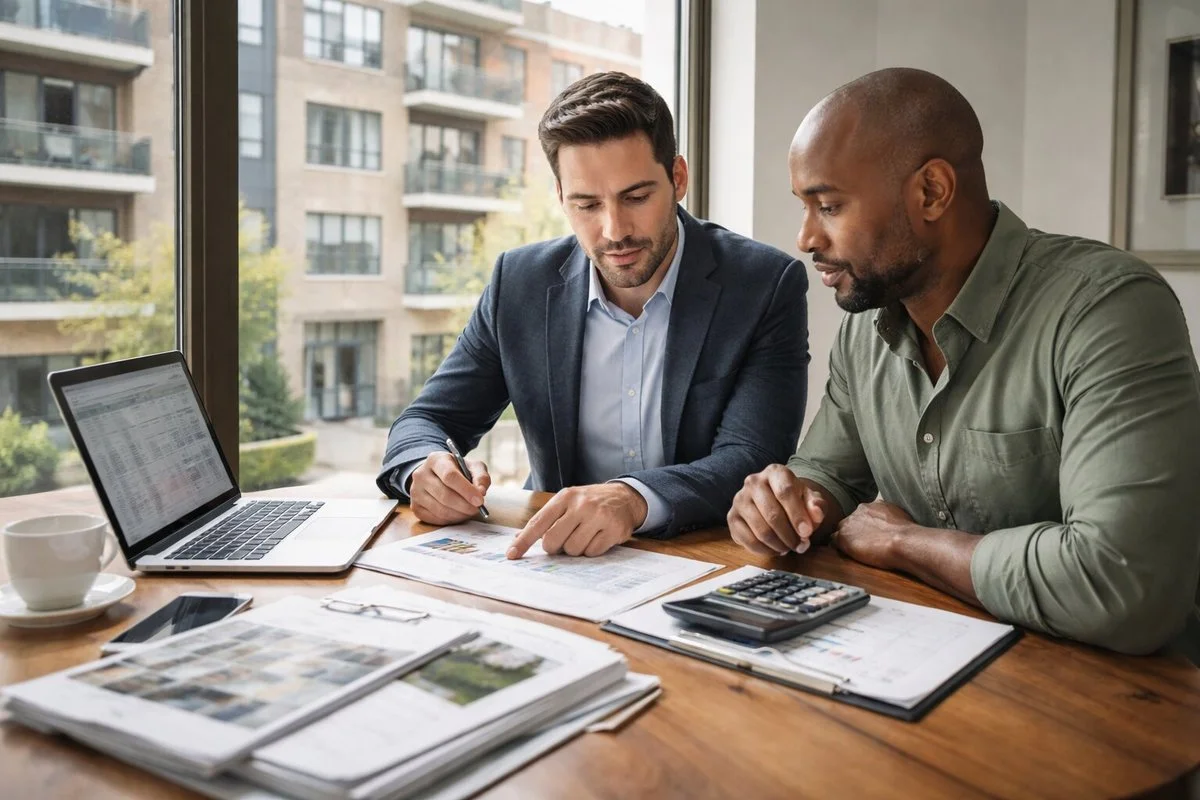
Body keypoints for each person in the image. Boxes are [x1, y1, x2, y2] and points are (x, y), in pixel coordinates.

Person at [728, 67, 1200, 660]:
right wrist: (789, 505)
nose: (804, 238)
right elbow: (832, 477)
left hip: (1122, 706)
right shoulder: (863, 332)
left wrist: (907, 544)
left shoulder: (1108, 311)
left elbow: (1123, 583)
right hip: (937, 669)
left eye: (828, 206)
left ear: (931, 192)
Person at [379, 72, 809, 559]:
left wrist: (632, 499)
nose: (614, 230)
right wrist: (424, 470)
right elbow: (427, 419)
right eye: (587, 204)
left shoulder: (764, 285)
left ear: (678, 179)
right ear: (561, 197)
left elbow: (751, 458)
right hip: (554, 562)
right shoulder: (519, 283)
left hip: (702, 557)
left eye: (636, 197)